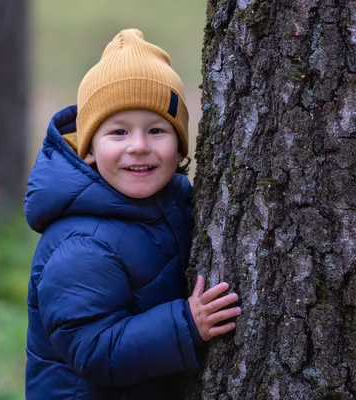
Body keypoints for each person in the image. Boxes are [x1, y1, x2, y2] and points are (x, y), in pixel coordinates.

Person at [23, 28, 241, 400]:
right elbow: (95, 351)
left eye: (156, 130)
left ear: (180, 145)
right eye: (119, 132)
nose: (139, 147)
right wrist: (185, 325)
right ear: (89, 149)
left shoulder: (172, 205)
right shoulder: (82, 244)